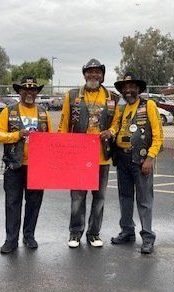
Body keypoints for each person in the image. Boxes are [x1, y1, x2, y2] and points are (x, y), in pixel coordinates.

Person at [58, 58, 118, 248]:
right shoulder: (72, 95)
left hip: (102, 157)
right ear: (84, 74)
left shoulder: (112, 98)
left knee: (99, 197)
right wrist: (63, 150)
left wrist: (112, 132)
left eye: (97, 72)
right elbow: (64, 123)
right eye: (90, 72)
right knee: (77, 197)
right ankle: (75, 233)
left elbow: (117, 123)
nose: (93, 75)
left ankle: (94, 233)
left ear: (102, 75)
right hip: (79, 157)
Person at [101, 73, 163, 254]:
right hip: (123, 158)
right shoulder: (123, 108)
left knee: (144, 200)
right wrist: (110, 133)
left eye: (131, 87)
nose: (128, 90)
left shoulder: (149, 105)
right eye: (125, 88)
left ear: (138, 88)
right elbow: (116, 127)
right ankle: (127, 231)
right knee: (125, 198)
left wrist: (150, 158)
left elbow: (158, 135)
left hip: (142, 159)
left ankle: (148, 237)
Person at [0, 76, 53, 253]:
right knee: (13, 203)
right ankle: (11, 240)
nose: (29, 92)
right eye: (25, 89)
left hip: (37, 166)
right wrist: (16, 135)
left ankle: (29, 236)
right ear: (19, 91)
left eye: (33, 90)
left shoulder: (44, 113)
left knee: (34, 203)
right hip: (14, 165)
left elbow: (50, 139)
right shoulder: (9, 111)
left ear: (37, 93)